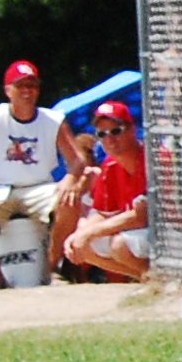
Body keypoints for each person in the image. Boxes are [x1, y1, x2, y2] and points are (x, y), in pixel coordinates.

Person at [0, 61, 88, 288]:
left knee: (70, 201)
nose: (27, 91)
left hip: (39, 187)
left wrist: (71, 179)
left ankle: (51, 271)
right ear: (8, 90)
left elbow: (78, 158)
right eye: (20, 85)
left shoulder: (53, 120)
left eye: (32, 85)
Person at [60, 100, 152, 281]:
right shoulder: (110, 166)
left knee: (119, 244)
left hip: (170, 233)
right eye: (102, 134)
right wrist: (79, 235)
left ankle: (163, 280)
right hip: (142, 233)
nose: (109, 139)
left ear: (132, 130)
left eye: (116, 131)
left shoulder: (149, 158)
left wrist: (89, 233)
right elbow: (102, 213)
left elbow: (140, 216)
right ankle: (148, 279)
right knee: (83, 246)